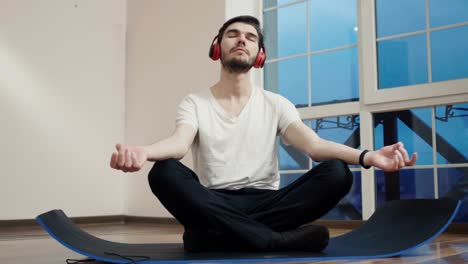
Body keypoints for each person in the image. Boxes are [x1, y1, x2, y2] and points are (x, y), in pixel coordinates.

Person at [110, 15, 417, 252]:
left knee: (337, 173)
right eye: (233, 34)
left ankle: (215, 237)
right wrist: (144, 152)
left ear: (259, 54)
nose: (241, 40)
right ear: (217, 47)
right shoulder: (195, 103)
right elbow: (178, 144)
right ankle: (272, 240)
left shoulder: (275, 103)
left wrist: (368, 156)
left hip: (266, 204)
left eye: (250, 37)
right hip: (212, 201)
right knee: (163, 172)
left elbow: (313, 145)